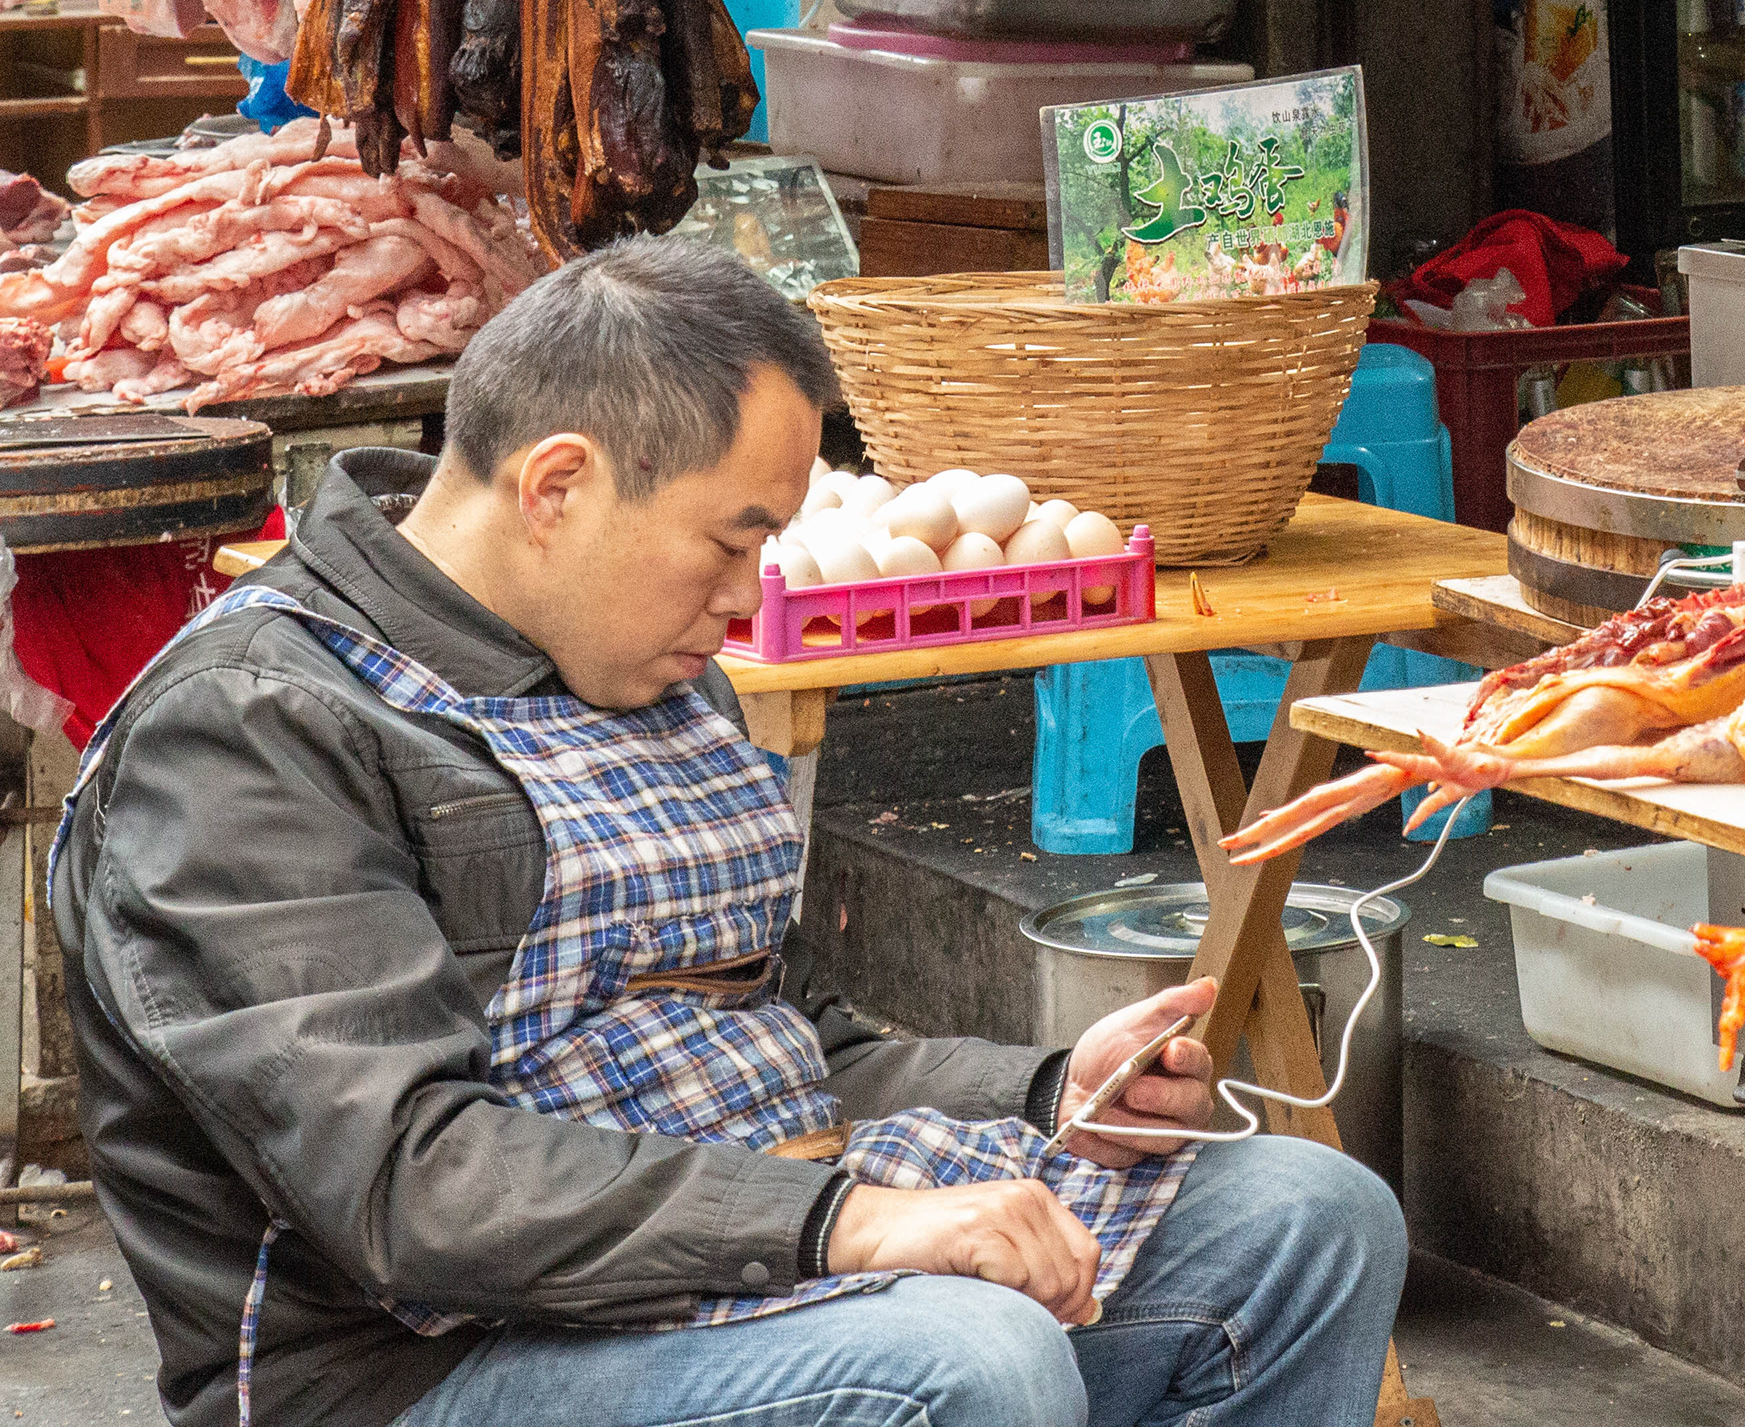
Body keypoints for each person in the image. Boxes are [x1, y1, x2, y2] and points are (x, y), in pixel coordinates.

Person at [50, 238, 1403, 1427]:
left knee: (1306, 1220)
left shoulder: (639, 653)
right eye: (732, 540)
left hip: (720, 1261)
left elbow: (785, 1044)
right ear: (559, 486)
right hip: (427, 1370)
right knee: (960, 1360)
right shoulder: (242, 734)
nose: (752, 594)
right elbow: (416, 1186)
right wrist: (850, 1227)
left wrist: (1049, 1095)